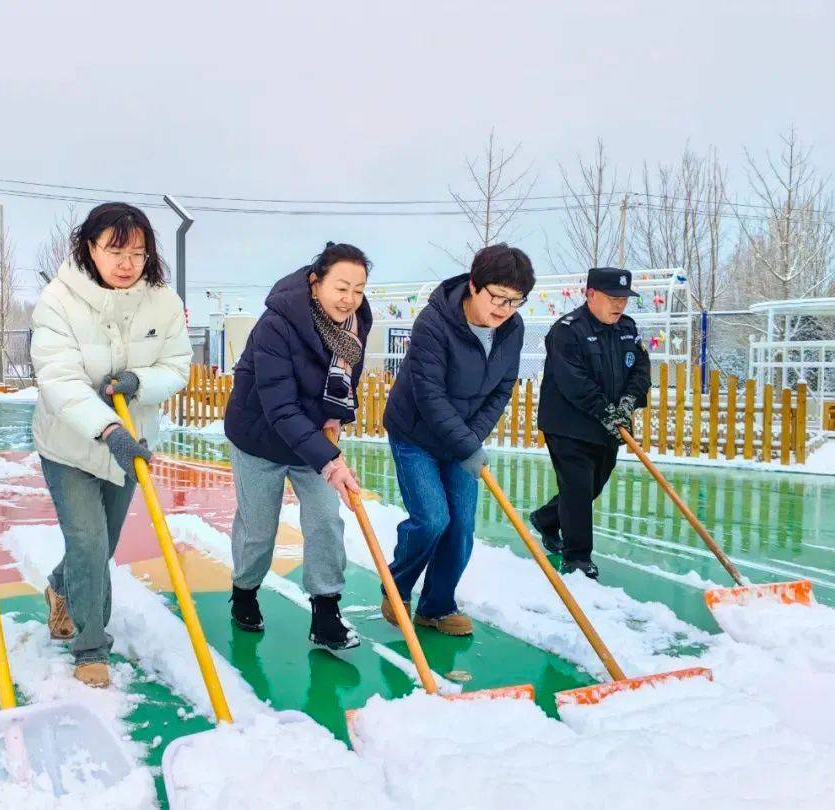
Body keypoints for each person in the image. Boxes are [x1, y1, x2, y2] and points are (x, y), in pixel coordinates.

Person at [31, 202, 191, 687]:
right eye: (115, 250)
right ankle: (89, 646)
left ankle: (61, 588)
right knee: (88, 540)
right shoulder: (58, 300)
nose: (127, 263)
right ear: (89, 248)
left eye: (138, 253)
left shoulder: (162, 302)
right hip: (70, 444)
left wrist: (139, 381)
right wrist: (108, 430)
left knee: (101, 548)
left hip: (131, 445)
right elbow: (59, 380)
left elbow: (177, 366)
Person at [224, 242, 371, 650]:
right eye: (341, 287)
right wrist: (330, 460)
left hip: (313, 439)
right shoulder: (277, 324)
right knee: (259, 529)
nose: (350, 299)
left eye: (358, 289)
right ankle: (245, 591)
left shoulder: (356, 323)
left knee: (326, 520)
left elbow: (345, 382)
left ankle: (326, 613)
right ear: (315, 281)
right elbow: (280, 407)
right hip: (260, 437)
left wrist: (335, 419)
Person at [381, 244, 535, 635]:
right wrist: (467, 445)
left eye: (515, 301)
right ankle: (397, 585)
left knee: (461, 527)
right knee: (433, 519)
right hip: (415, 432)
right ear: (473, 285)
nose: (504, 309)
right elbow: (429, 396)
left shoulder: (512, 330)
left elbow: (502, 388)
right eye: (497, 297)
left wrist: (471, 438)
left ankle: (436, 607)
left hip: (463, 436)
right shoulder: (434, 323)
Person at [530, 267, 652, 579]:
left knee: (593, 485)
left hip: (607, 427)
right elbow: (575, 382)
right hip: (568, 424)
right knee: (578, 487)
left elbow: (640, 368)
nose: (620, 305)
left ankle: (546, 519)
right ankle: (578, 557)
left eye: (624, 299)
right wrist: (606, 411)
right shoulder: (566, 331)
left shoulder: (627, 328)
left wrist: (628, 402)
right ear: (591, 294)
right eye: (613, 298)